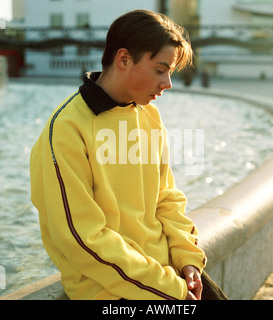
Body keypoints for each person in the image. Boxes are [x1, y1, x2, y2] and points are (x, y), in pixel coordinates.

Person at [30, 9, 228, 300]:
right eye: (160, 70)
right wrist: (168, 287)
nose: (167, 84)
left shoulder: (148, 114)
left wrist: (187, 257)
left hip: (165, 273)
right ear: (124, 59)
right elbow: (83, 238)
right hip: (109, 290)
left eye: (170, 72)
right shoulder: (66, 129)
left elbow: (165, 196)